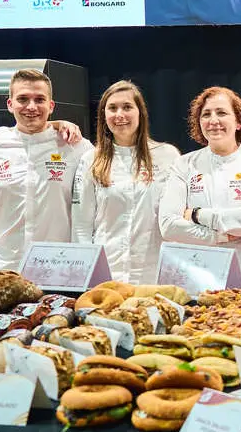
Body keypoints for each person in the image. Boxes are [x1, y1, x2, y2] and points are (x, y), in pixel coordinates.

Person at [0, 69, 94, 271]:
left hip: (60, 266)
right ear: (10, 104)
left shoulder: (76, 146)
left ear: (51, 105)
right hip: (6, 267)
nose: (31, 106)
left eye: (39, 99)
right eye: (23, 99)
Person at [159, 86, 241, 286]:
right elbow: (169, 226)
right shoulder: (184, 165)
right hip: (203, 278)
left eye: (221, 112)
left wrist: (198, 215)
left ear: (239, 122)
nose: (213, 120)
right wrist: (220, 235)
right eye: (206, 114)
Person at [71, 81, 181, 284]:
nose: (119, 114)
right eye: (112, 108)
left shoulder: (167, 156)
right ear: (104, 115)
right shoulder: (90, 159)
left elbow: (176, 219)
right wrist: (86, 272)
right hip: (107, 275)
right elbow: (81, 226)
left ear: (141, 112)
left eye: (127, 107)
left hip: (154, 274)